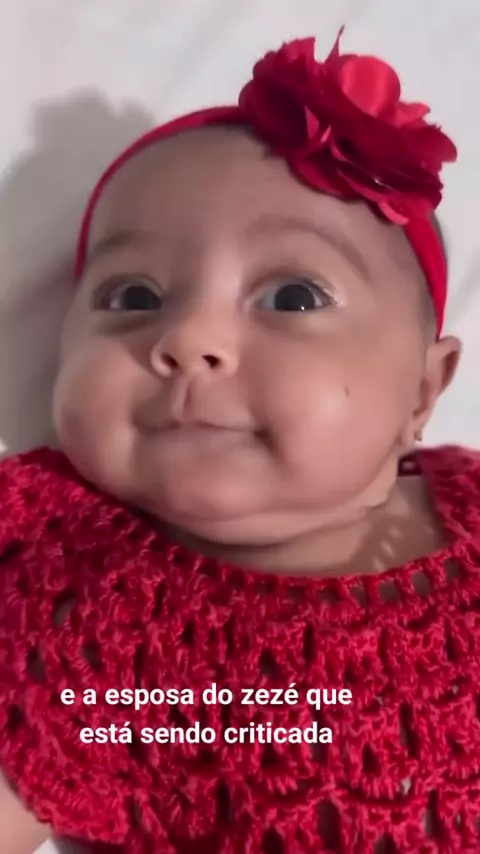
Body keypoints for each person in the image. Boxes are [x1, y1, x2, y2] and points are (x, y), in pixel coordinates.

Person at [1, 31, 479, 854]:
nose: (189, 339)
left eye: (293, 296)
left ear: (422, 391)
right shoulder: (72, 594)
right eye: (133, 295)